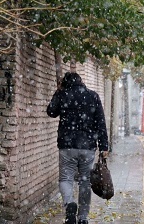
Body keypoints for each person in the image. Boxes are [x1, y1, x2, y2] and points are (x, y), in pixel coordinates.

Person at [47, 72, 109, 224]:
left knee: (65, 179)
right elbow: (100, 122)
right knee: (85, 181)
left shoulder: (63, 94)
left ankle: (69, 204)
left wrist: (58, 91)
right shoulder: (93, 96)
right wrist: (104, 146)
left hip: (67, 146)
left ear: (65, 83)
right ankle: (83, 218)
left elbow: (51, 112)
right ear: (81, 82)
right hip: (87, 146)